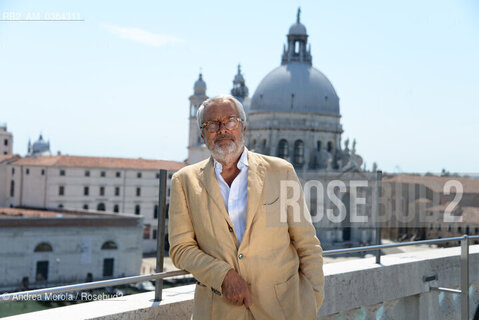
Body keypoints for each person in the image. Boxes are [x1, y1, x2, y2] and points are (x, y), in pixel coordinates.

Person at [168, 94, 324, 319]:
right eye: (212, 124)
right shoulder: (184, 181)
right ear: (203, 135)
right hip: (219, 311)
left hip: (284, 311)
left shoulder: (282, 172)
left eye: (230, 121)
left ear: (244, 128)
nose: (222, 129)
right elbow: (180, 249)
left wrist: (312, 301)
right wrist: (223, 276)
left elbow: (307, 244)